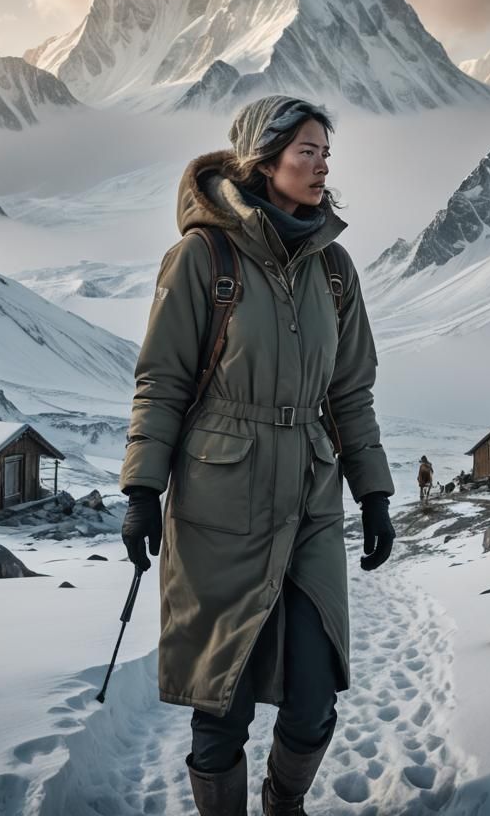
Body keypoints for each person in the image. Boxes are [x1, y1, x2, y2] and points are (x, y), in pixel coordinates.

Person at [120, 95, 396, 815]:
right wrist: (142, 490)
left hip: (309, 501)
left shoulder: (333, 268)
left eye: (326, 153)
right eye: (307, 151)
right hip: (219, 504)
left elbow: (350, 392)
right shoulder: (202, 257)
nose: (322, 165)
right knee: (221, 702)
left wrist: (373, 493)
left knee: (314, 696)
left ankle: (284, 804)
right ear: (263, 160)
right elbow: (162, 381)